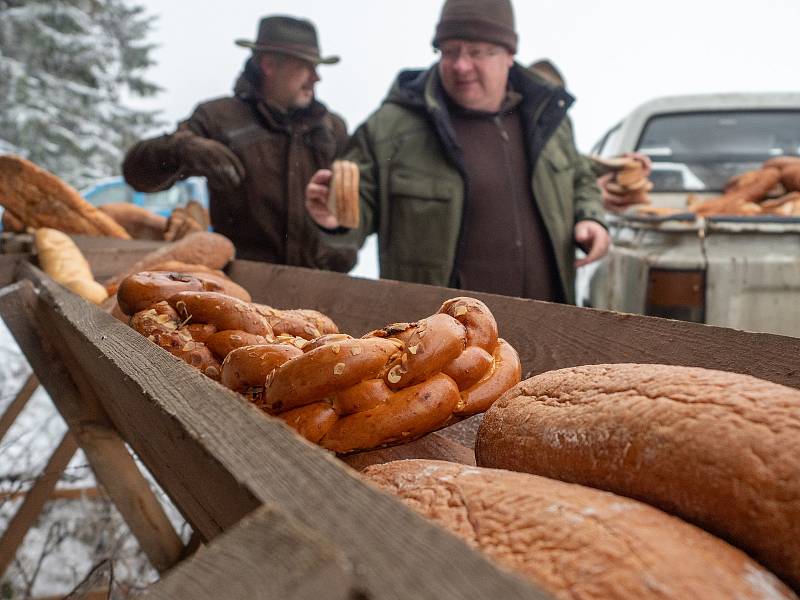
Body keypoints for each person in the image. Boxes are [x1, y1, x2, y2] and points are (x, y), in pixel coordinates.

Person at [306, 0, 609, 304]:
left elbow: (579, 176)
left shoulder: (547, 117)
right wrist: (334, 221)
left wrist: (590, 217)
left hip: (549, 326)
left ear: (509, 55)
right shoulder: (390, 128)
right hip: (443, 341)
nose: (461, 65)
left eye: (476, 52)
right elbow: (352, 213)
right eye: (449, 52)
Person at [122, 15, 356, 271]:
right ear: (269, 65)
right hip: (240, 285)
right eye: (305, 67)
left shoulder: (332, 129)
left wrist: (338, 235)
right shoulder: (219, 117)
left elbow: (354, 218)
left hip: (321, 286)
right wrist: (181, 149)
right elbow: (136, 174)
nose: (315, 78)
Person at [528, 59, 653, 212]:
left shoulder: (559, 130)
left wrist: (618, 165)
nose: (554, 113)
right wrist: (591, 199)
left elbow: (574, 165)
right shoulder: (512, 137)